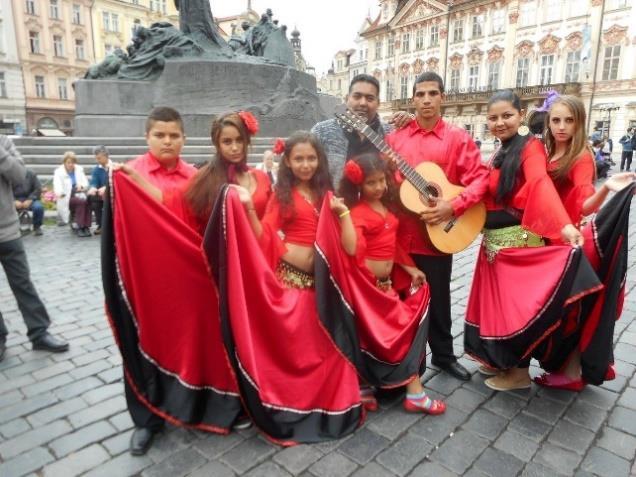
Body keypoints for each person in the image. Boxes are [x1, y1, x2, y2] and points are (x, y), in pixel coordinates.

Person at [113, 129, 364, 445]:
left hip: (306, 282)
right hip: (210, 263)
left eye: (311, 158)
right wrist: (137, 184)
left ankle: (243, 401)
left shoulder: (266, 180)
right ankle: (169, 411)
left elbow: (339, 243)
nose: (305, 164)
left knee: (306, 346)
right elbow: (179, 204)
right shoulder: (205, 177)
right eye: (226, 141)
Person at [464, 90, 599, 391]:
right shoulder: (502, 149)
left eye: (507, 115)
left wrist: (564, 224)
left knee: (518, 309)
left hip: (519, 244)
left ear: (521, 116)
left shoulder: (531, 148)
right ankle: (502, 361)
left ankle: (519, 373)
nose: (500, 122)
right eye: (493, 117)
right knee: (501, 308)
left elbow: (540, 184)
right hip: (495, 244)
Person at [384, 72, 490, 382]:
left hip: (438, 236)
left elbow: (480, 179)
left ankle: (443, 357)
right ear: (413, 99)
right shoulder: (395, 138)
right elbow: (382, 181)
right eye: (420, 94)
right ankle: (403, 360)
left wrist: (451, 206)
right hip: (401, 236)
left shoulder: (458, 138)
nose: (426, 99)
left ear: (442, 96)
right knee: (400, 299)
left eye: (433, 93)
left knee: (440, 298)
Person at [531, 95, 636, 390]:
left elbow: (585, 206)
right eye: (556, 120)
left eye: (569, 120)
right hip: (548, 239)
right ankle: (566, 367)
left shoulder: (580, 157)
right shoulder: (548, 151)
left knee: (573, 311)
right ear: (548, 122)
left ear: (579, 123)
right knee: (564, 309)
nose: (562, 127)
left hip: (569, 243)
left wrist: (607, 191)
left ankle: (573, 372)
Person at [331, 153, 445, 415]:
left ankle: (368, 387)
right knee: (381, 335)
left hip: (386, 285)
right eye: (372, 182)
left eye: (382, 180)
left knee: (377, 336)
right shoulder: (357, 213)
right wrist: (345, 214)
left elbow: (391, 246)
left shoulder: (387, 209)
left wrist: (410, 268)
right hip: (368, 289)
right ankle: (406, 393)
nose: (379, 186)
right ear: (358, 184)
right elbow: (352, 249)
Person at [118, 107, 197, 456]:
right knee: (142, 348)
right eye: (160, 135)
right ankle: (146, 420)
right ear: (147, 137)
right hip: (147, 282)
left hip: (187, 282)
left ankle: (187, 405)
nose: (167, 141)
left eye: (174, 135)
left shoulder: (194, 176)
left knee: (187, 347)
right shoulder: (130, 175)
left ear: (183, 138)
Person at [0, 135, 69, 362]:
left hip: (7, 229)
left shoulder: (3, 142)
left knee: (23, 283)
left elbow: (20, 176)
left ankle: (39, 333)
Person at [311, 73, 412, 185]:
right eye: (357, 96)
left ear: (378, 103)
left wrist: (412, 118)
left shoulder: (391, 132)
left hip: (378, 201)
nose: (363, 103)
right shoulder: (321, 132)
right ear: (346, 99)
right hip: (334, 201)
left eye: (370, 98)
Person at [53, 151, 91, 237]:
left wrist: (81, 186)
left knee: (87, 200)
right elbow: (57, 187)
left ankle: (86, 227)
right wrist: (60, 193)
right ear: (64, 163)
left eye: (73, 162)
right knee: (81, 202)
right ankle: (80, 226)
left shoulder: (79, 169)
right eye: (68, 162)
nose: (71, 164)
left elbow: (85, 183)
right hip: (66, 196)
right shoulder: (59, 172)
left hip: (78, 192)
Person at [87, 145, 111, 235]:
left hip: (113, 193)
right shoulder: (97, 169)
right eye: (96, 158)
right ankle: (101, 224)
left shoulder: (114, 167)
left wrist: (106, 187)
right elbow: (94, 181)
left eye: (99, 158)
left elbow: (116, 182)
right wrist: (93, 187)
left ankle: (107, 225)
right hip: (101, 195)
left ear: (106, 156)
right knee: (93, 198)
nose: (97, 161)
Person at [13, 168, 44, 236]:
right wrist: (13, 201)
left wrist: (30, 199)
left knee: (38, 207)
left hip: (30, 198)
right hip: (13, 199)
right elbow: (4, 191)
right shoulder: (8, 175)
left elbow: (38, 188)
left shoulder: (31, 174)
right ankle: (9, 228)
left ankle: (37, 226)